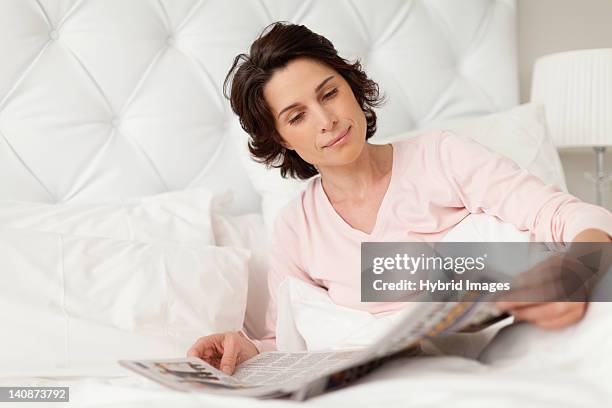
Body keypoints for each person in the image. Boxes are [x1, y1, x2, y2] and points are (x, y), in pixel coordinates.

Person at [188, 22, 612, 375]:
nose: (326, 120)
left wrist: (572, 274)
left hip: (511, 344)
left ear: (352, 88)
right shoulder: (296, 227)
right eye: (297, 116)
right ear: (281, 138)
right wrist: (244, 349)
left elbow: (573, 216)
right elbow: (284, 339)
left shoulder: (442, 156)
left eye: (329, 93)